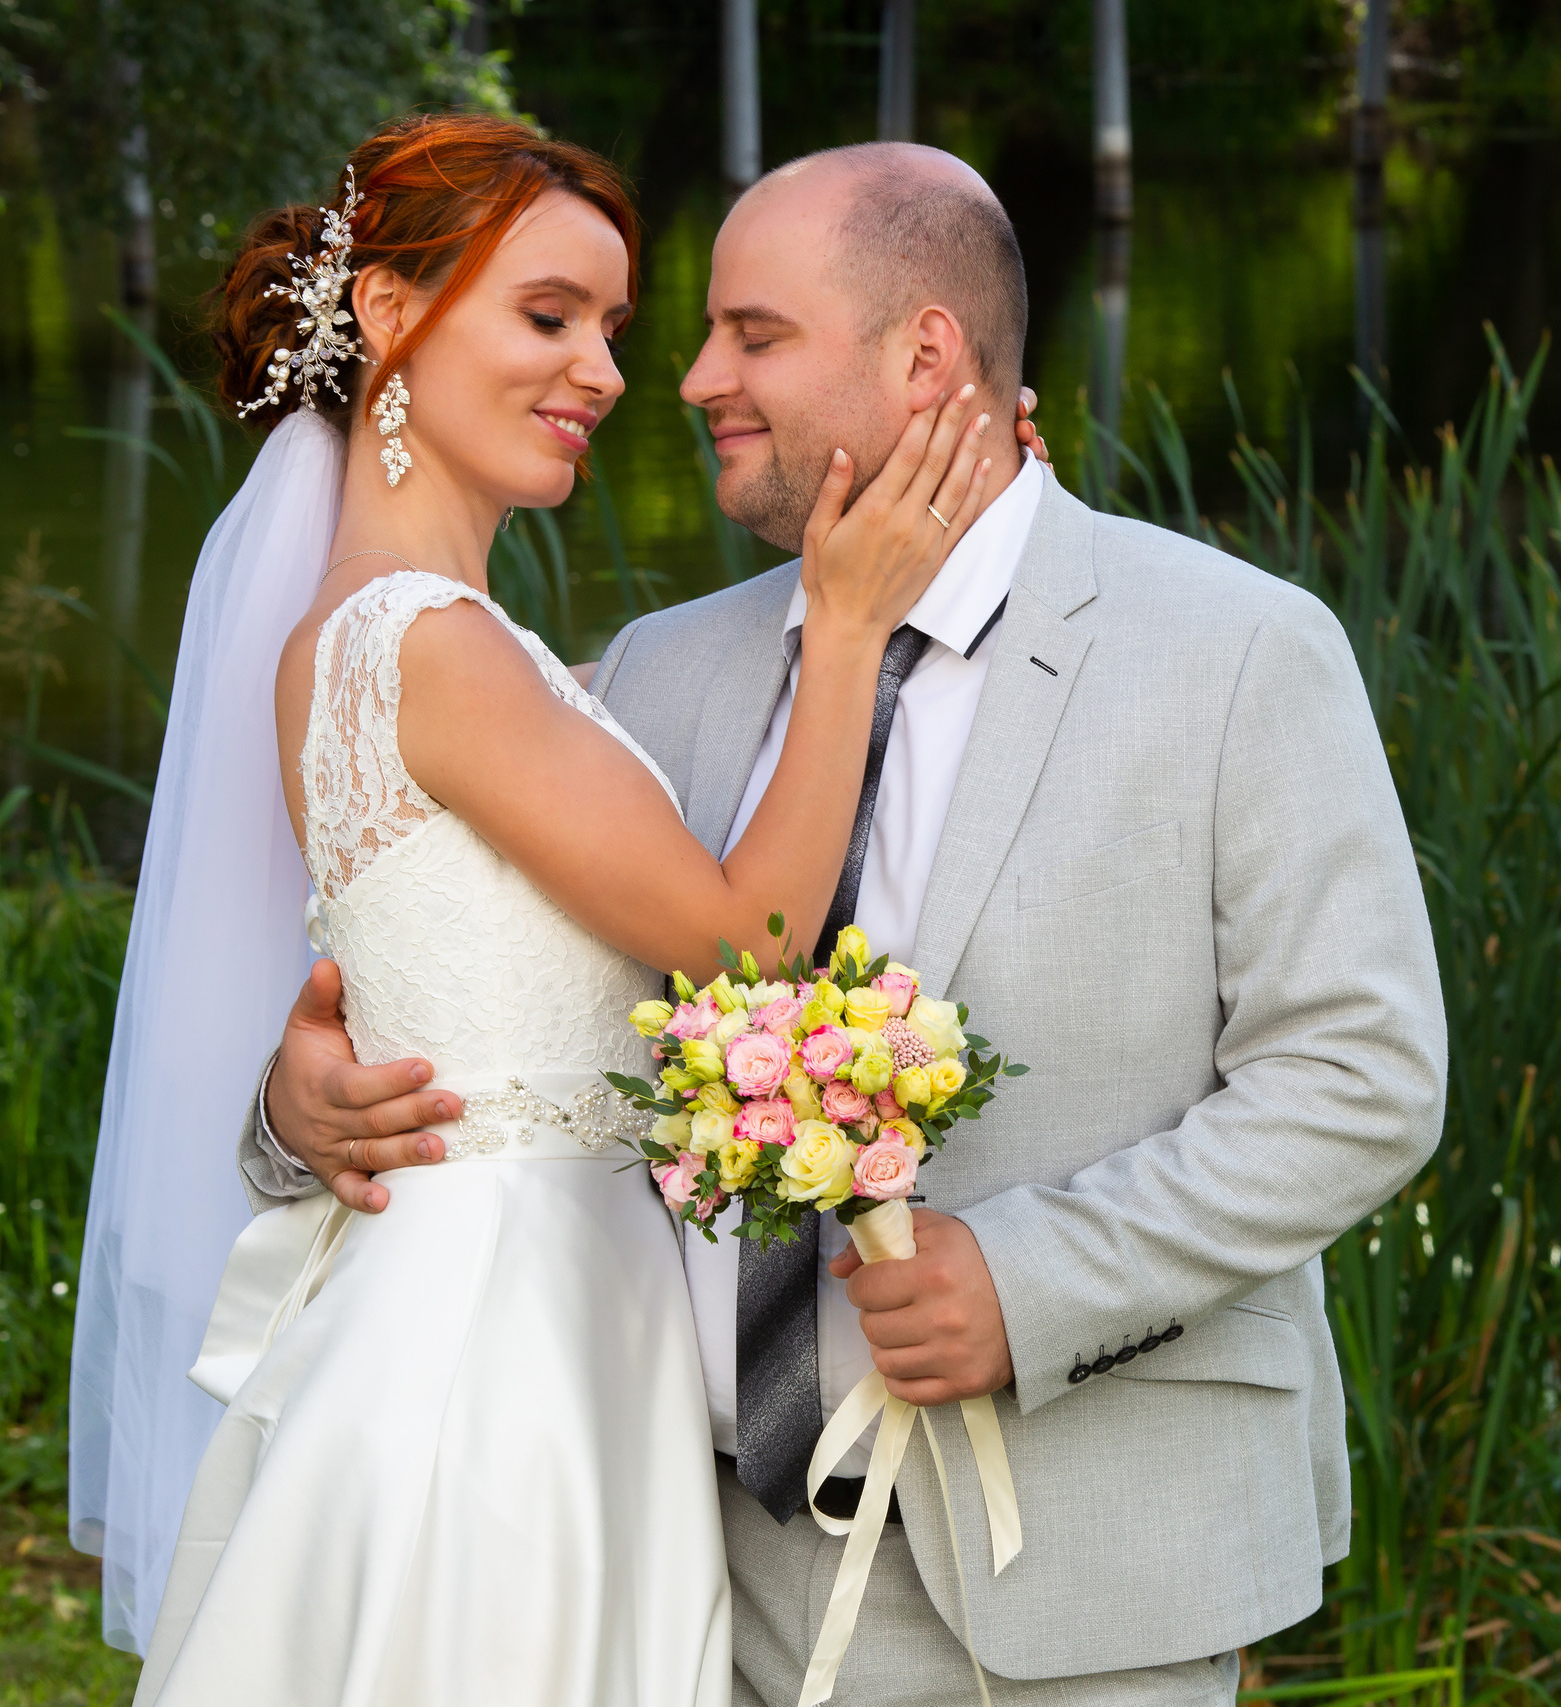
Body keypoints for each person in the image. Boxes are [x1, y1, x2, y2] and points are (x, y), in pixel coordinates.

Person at [248, 140, 1447, 1707]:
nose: (682, 380)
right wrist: (297, 1113)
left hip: (1085, 1575)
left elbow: (1360, 1081)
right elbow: (494, 1003)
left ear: (926, 351)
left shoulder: (1234, 654)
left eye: (751, 334)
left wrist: (1029, 1285)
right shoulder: (658, 671)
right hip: (684, 1565)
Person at [73, 114, 1008, 1706]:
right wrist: (845, 632)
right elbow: (746, 953)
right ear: (386, 320)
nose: (607, 372)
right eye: (548, 314)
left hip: (537, 1305)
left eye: (614, 330)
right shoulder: (427, 647)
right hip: (500, 1342)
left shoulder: (444, 649)